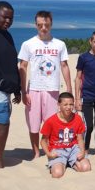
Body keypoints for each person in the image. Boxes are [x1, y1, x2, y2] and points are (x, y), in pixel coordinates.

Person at [18, 11, 72, 159]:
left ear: (51, 24)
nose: (43, 28)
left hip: (53, 90)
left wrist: (69, 89)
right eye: (40, 25)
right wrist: (23, 91)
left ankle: (49, 150)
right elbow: (22, 67)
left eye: (46, 25)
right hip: (34, 89)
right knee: (34, 125)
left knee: (51, 124)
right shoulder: (28, 44)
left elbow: (64, 66)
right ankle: (35, 152)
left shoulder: (60, 44)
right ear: (35, 25)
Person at [0, 1, 21, 169]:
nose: (8, 21)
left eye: (11, 18)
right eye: (4, 17)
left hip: (5, 89)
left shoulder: (6, 35)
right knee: (1, 124)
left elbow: (10, 63)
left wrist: (17, 88)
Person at [40, 92, 91, 178]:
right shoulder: (50, 121)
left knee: (86, 167)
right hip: (57, 149)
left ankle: (69, 162)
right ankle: (60, 163)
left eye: (71, 104)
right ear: (59, 104)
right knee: (57, 173)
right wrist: (48, 154)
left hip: (73, 148)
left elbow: (80, 139)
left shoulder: (77, 118)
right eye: (65, 104)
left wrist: (82, 151)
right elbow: (43, 141)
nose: (68, 107)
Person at [74, 31, 95, 157]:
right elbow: (78, 78)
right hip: (86, 96)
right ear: (90, 41)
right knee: (88, 125)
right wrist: (77, 98)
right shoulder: (83, 58)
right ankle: (86, 148)